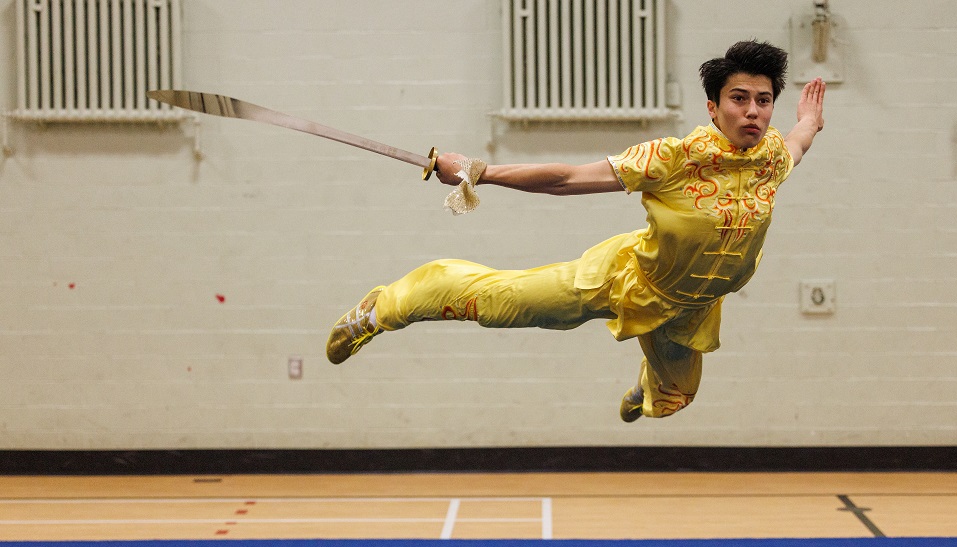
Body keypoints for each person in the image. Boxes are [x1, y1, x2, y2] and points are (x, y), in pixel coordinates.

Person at [326, 39, 825, 422]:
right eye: (739, 98)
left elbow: (799, 143)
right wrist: (480, 172)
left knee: (674, 401)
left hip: (689, 311)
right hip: (626, 278)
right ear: (713, 108)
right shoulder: (673, 157)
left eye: (763, 100)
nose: (753, 111)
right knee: (505, 304)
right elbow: (566, 180)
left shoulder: (773, 157)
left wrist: (808, 121)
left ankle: (646, 388)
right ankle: (385, 307)